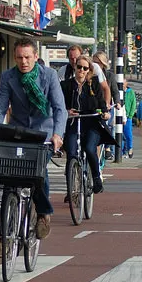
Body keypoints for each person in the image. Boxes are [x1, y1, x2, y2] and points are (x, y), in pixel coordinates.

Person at [0, 38, 67, 258]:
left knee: (38, 172)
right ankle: (4, 239)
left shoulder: (49, 76)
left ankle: (44, 213)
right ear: (14, 57)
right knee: (8, 184)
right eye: (19, 57)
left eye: (27, 57)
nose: (23, 61)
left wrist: (58, 135)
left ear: (36, 57)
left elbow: (60, 109)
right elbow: (0, 108)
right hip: (18, 132)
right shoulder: (8, 77)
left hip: (43, 134)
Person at [60, 54, 109, 194]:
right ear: (75, 67)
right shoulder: (66, 85)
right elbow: (58, 104)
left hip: (91, 123)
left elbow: (100, 101)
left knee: (89, 148)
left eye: (85, 68)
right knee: (71, 152)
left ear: (89, 70)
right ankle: (71, 188)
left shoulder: (93, 84)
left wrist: (104, 112)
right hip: (73, 123)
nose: (81, 70)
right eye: (79, 67)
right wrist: (67, 111)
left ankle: (96, 177)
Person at [122, 78, 137, 158]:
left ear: (126, 84)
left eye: (123, 83)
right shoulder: (118, 91)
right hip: (119, 116)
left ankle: (130, 149)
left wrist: (130, 115)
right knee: (120, 135)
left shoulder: (130, 92)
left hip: (128, 117)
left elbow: (133, 103)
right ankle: (121, 152)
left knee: (128, 134)